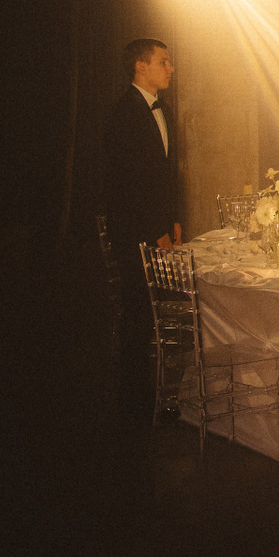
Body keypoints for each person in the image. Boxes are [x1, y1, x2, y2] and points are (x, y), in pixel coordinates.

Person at [105, 37, 181, 429]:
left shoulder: (163, 109)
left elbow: (166, 176)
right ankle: (135, 403)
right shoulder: (124, 114)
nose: (171, 68)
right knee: (139, 313)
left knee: (159, 311)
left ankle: (164, 392)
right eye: (163, 62)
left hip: (159, 227)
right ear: (141, 66)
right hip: (134, 232)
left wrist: (175, 221)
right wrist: (155, 232)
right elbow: (130, 184)